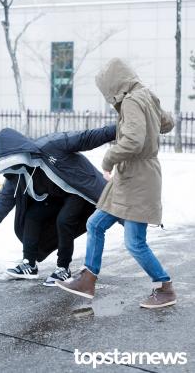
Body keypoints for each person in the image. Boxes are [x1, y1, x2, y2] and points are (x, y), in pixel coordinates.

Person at [55, 57, 177, 309]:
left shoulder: (132, 101)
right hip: (132, 177)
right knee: (95, 223)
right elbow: (168, 123)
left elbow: (133, 140)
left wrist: (108, 158)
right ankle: (87, 279)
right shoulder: (144, 96)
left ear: (114, 84)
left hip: (138, 178)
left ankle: (164, 287)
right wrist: (151, 109)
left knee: (134, 242)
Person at [0, 125, 116, 286]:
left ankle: (63, 268)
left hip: (78, 191)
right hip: (56, 198)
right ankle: (29, 265)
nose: (12, 168)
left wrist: (121, 127)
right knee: (32, 215)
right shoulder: (15, 174)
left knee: (64, 220)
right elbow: (3, 201)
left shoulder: (51, 146)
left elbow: (87, 137)